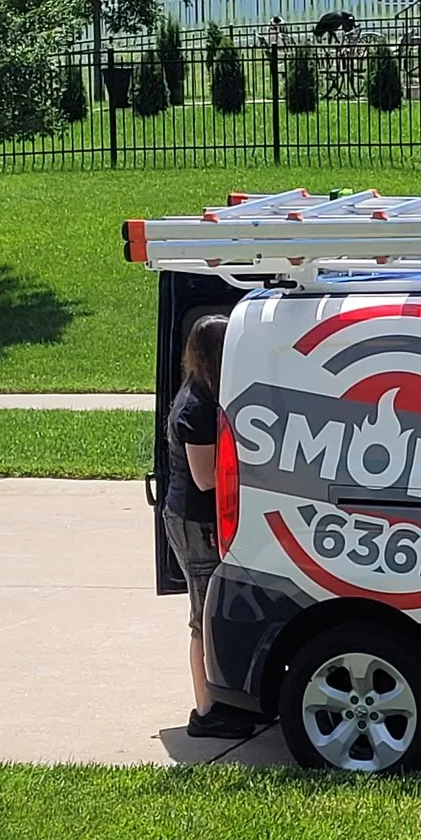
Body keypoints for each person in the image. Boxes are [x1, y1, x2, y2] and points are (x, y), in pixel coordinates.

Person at [164, 312, 251, 739]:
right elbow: (204, 478)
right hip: (194, 521)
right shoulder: (196, 408)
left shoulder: (204, 392)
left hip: (198, 519)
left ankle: (219, 702)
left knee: (210, 612)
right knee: (202, 616)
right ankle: (206, 711)